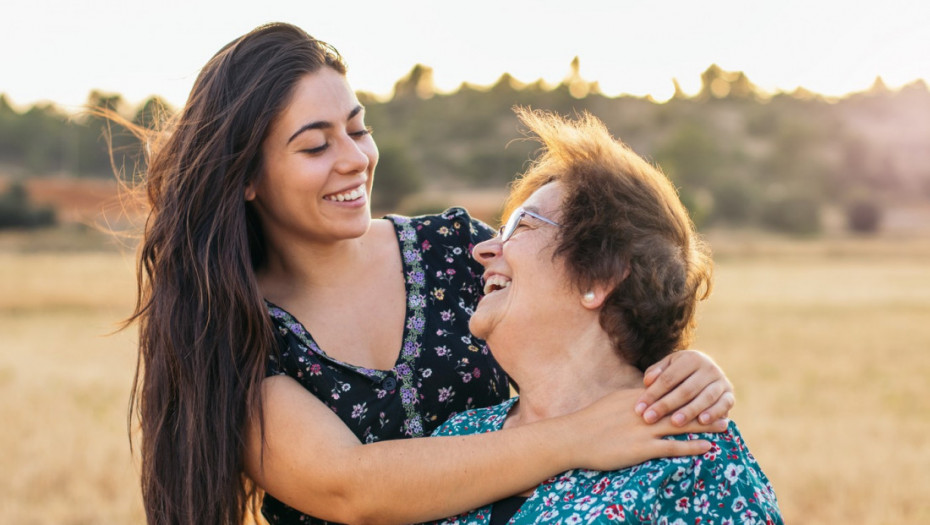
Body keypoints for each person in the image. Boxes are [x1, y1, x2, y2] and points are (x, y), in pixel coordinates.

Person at [125, 22, 737, 525]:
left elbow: (598, 322)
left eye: (359, 129)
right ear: (247, 177)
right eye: (316, 147)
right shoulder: (231, 331)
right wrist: (576, 439)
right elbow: (350, 488)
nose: (356, 159)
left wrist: (679, 367)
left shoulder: (457, 253)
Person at [430, 108, 783, 524]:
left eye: (521, 227)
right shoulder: (458, 436)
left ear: (600, 275)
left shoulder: (693, 459)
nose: (483, 250)